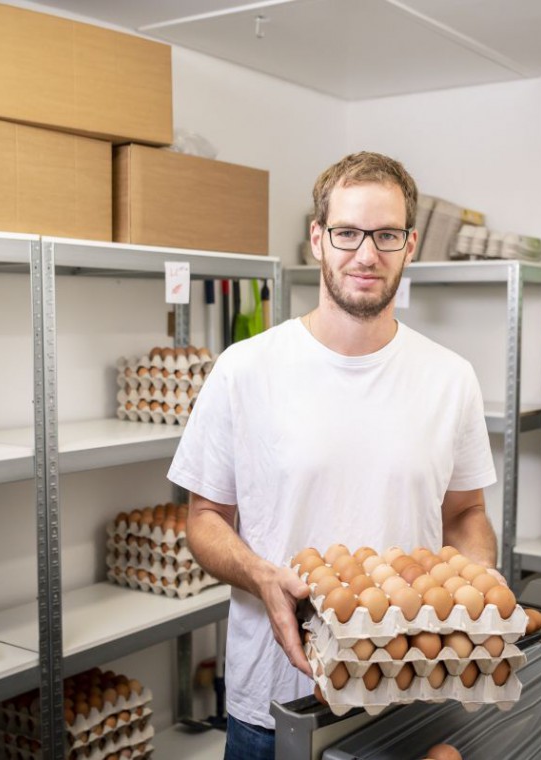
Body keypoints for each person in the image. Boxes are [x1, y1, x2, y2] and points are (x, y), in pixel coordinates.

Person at [167, 151, 499, 760]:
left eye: (387, 235)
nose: (366, 254)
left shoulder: (451, 378)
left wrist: (474, 590)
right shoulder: (245, 369)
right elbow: (204, 518)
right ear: (317, 239)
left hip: (407, 691)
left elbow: (465, 514)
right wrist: (263, 576)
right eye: (347, 233)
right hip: (274, 700)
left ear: (411, 244)